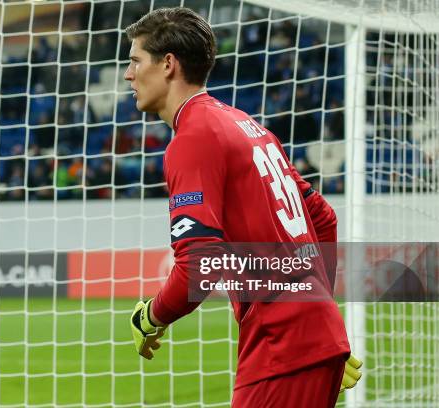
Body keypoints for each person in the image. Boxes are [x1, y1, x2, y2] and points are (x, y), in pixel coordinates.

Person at [124, 7, 362, 407]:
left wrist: (151, 316)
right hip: (307, 342)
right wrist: (318, 313)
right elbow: (322, 218)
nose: (128, 75)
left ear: (168, 64)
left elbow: (197, 264)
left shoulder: (193, 138)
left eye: (135, 61)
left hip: (281, 349)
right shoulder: (248, 127)